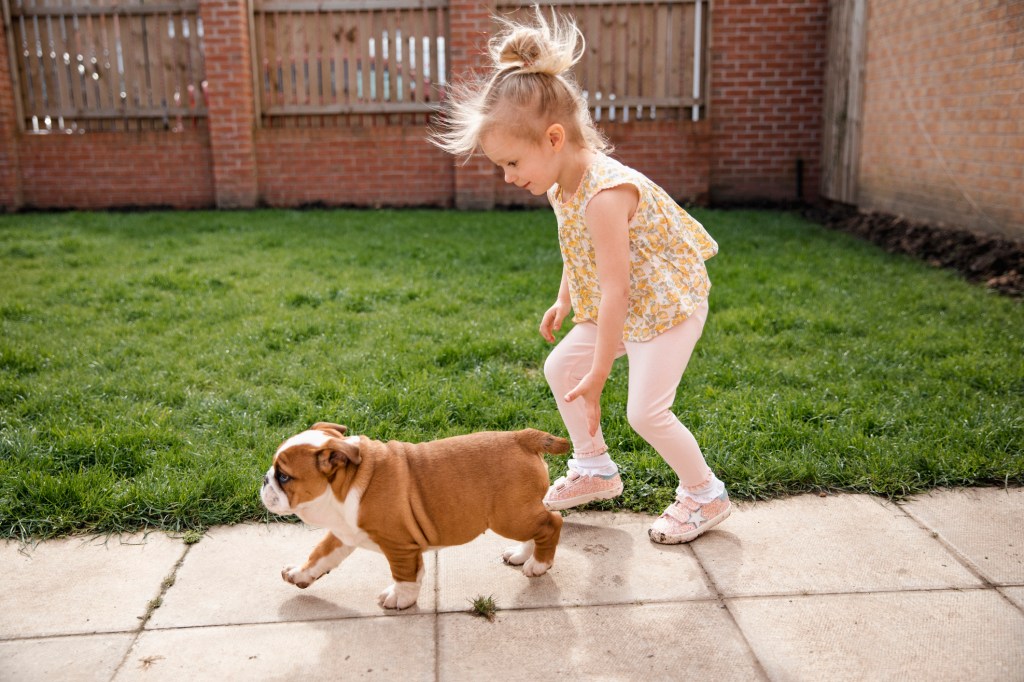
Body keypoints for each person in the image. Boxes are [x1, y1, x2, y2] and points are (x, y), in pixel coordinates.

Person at [430, 7, 729, 543]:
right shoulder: (559, 185)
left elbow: (619, 287)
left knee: (646, 412)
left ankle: (704, 494)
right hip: (622, 303)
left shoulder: (606, 193)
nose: (507, 177)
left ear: (552, 138)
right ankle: (595, 468)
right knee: (558, 369)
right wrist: (565, 299)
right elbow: (579, 251)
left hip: (665, 308)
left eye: (512, 163)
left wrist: (600, 370)